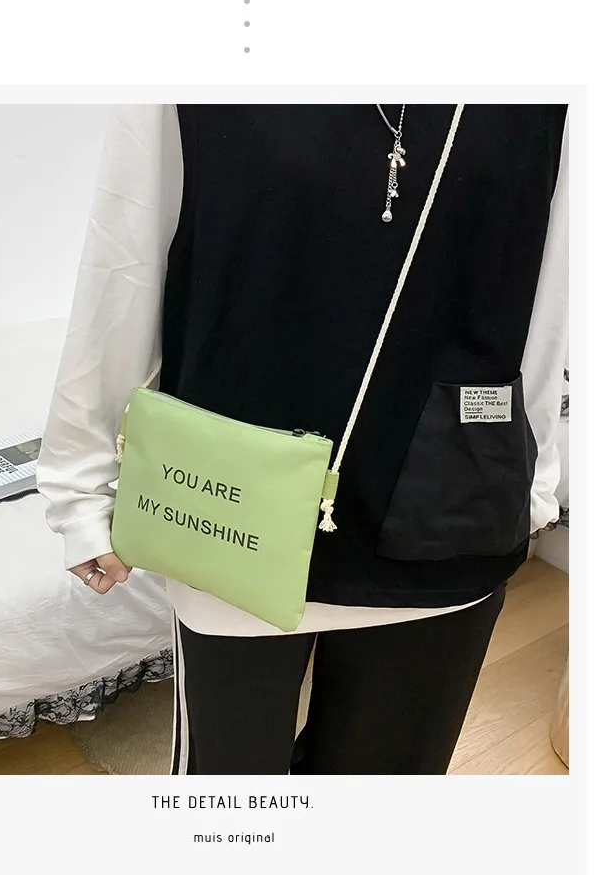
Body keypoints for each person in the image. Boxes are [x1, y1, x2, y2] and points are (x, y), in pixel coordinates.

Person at [37, 104, 569, 775]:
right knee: (230, 802)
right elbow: (125, 256)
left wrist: (534, 475)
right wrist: (79, 482)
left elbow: (551, 286)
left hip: (450, 512)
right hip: (232, 510)